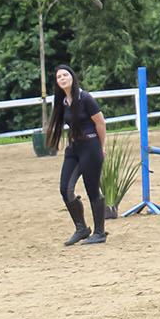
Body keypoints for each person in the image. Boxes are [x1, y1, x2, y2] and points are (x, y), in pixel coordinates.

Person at [44, 64, 108, 245]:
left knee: (92, 188)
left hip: (91, 145)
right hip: (74, 148)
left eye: (65, 75)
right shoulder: (62, 101)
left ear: (72, 77)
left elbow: (100, 123)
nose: (62, 79)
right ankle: (81, 228)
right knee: (65, 188)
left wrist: (101, 146)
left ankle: (100, 232)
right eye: (59, 77)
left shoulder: (86, 98)